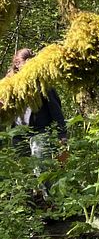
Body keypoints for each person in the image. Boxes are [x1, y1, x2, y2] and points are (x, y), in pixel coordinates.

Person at [6, 48, 68, 180]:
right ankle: (30, 199)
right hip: (18, 133)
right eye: (25, 62)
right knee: (24, 171)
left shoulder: (42, 83)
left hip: (40, 131)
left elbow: (55, 108)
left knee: (41, 167)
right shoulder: (9, 83)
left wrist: (62, 134)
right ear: (17, 64)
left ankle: (48, 198)